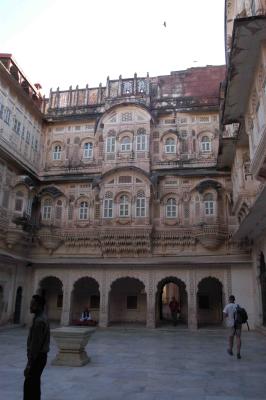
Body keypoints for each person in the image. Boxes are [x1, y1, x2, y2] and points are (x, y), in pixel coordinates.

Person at [24, 294, 50, 400]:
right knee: (34, 385)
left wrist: (29, 364)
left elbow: (35, 345)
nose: (30, 307)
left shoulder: (39, 321)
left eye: (32, 305)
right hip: (41, 357)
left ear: (39, 306)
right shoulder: (42, 318)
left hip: (37, 357)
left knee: (29, 387)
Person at [223, 295, 242, 359]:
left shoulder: (227, 306)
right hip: (238, 324)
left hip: (231, 324)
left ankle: (230, 350)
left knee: (231, 338)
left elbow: (225, 315)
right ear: (234, 300)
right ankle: (238, 353)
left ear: (229, 300)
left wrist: (229, 314)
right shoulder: (237, 306)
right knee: (238, 338)